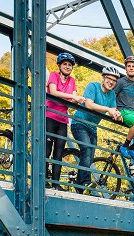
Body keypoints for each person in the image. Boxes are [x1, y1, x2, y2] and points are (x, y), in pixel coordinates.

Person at [70, 66, 123, 192]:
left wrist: (117, 115)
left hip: (92, 128)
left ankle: (79, 187)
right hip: (79, 123)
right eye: (109, 78)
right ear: (103, 78)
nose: (111, 82)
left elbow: (113, 110)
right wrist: (109, 109)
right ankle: (84, 184)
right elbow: (89, 104)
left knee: (89, 155)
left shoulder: (111, 95)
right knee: (87, 149)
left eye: (114, 80)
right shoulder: (92, 86)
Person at [45, 52, 84, 189]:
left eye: (70, 65)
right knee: (47, 149)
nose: (67, 67)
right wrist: (72, 97)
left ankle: (56, 183)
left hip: (62, 120)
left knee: (59, 151)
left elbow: (73, 98)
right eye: (65, 64)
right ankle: (44, 180)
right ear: (59, 65)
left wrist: (78, 99)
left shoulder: (71, 81)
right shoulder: (53, 76)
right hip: (50, 116)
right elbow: (53, 92)